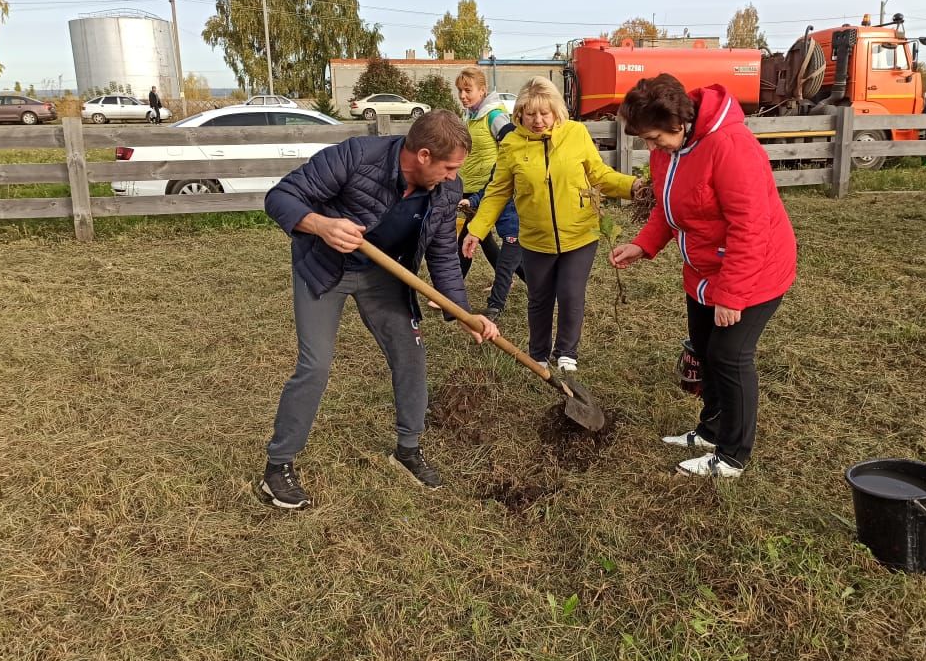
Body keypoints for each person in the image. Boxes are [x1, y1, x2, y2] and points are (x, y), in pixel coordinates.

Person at [259, 110, 499, 507]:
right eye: (449, 167)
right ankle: (278, 466)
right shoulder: (357, 156)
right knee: (315, 365)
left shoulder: (445, 192)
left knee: (411, 357)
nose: (453, 176)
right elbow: (280, 196)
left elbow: (442, 257)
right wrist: (321, 225)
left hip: (385, 277)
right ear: (423, 155)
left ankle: (407, 450)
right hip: (325, 270)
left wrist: (464, 314)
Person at [609, 74, 796, 479]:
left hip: (754, 270)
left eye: (654, 138)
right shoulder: (670, 151)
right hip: (703, 270)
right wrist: (643, 244)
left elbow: (751, 226)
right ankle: (711, 430)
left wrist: (731, 295)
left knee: (730, 356)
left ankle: (732, 456)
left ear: (679, 124)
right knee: (705, 349)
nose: (650, 147)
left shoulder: (731, 147)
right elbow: (667, 206)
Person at [462, 76, 643, 373]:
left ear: (556, 110)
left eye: (544, 113)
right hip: (535, 237)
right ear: (519, 113)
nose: (538, 120)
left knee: (571, 294)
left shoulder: (576, 134)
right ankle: (539, 354)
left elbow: (599, 175)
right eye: (530, 113)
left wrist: (632, 186)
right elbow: (497, 192)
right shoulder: (511, 143)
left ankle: (566, 353)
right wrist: (476, 230)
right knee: (540, 297)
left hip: (580, 235)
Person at [454, 66, 526, 320]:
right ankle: (534, 282)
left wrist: (506, 176)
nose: (463, 95)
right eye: (460, 90)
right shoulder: (470, 117)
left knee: (476, 238)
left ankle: (456, 292)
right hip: (473, 188)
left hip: (495, 189)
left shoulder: (494, 115)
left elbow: (511, 142)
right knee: (477, 238)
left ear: (482, 91)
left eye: (468, 90)